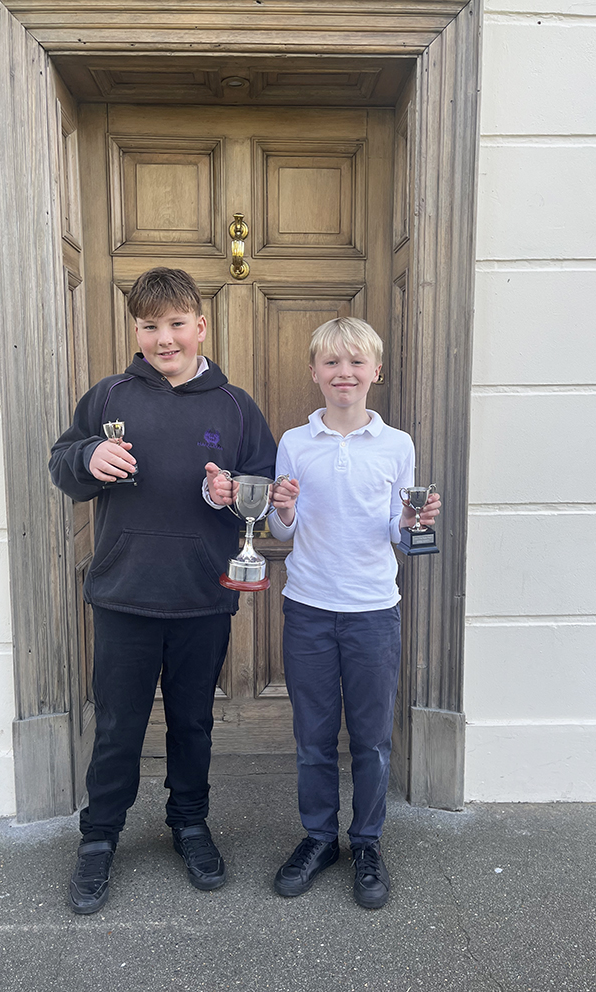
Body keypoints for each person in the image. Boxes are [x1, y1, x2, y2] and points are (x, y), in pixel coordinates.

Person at [50, 267, 276, 914]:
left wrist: (232, 493)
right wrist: (87, 458)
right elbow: (63, 464)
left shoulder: (235, 406)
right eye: (149, 326)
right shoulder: (108, 396)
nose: (164, 338)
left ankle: (190, 824)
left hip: (202, 595)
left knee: (193, 722)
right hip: (123, 594)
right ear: (136, 331)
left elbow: (260, 492)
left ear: (200, 326)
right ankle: (99, 837)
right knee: (117, 724)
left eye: (176, 324)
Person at [268, 316, 441, 910]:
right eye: (332, 363)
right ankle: (319, 838)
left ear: (376, 371)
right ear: (314, 372)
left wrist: (412, 522)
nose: (344, 373)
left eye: (356, 362)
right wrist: (282, 508)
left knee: (371, 741)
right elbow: (281, 528)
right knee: (313, 738)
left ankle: (366, 842)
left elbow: (398, 527)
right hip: (309, 608)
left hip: (373, 611)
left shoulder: (397, 445)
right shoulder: (294, 442)